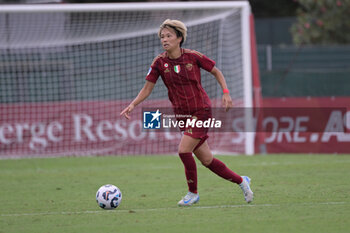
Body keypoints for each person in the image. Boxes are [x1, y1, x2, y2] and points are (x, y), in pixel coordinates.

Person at [120, 19, 253, 206]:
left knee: (183, 150)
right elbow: (147, 88)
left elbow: (216, 72)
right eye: (162, 37)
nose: (164, 40)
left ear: (179, 38)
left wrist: (225, 92)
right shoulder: (159, 62)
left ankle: (193, 193)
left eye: (168, 36)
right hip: (182, 115)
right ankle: (241, 181)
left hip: (201, 110)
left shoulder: (193, 57)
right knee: (207, 160)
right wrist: (133, 104)